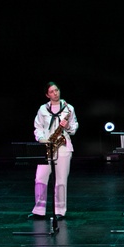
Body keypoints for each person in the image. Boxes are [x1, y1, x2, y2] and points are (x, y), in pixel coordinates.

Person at [29, 82, 79, 220]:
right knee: (40, 178)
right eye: (51, 91)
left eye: (56, 90)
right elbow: (37, 127)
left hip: (63, 147)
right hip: (47, 145)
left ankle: (60, 211)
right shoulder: (43, 109)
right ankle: (39, 209)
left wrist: (67, 125)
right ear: (47, 94)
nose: (55, 93)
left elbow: (74, 128)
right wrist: (41, 139)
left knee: (61, 180)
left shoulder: (69, 108)